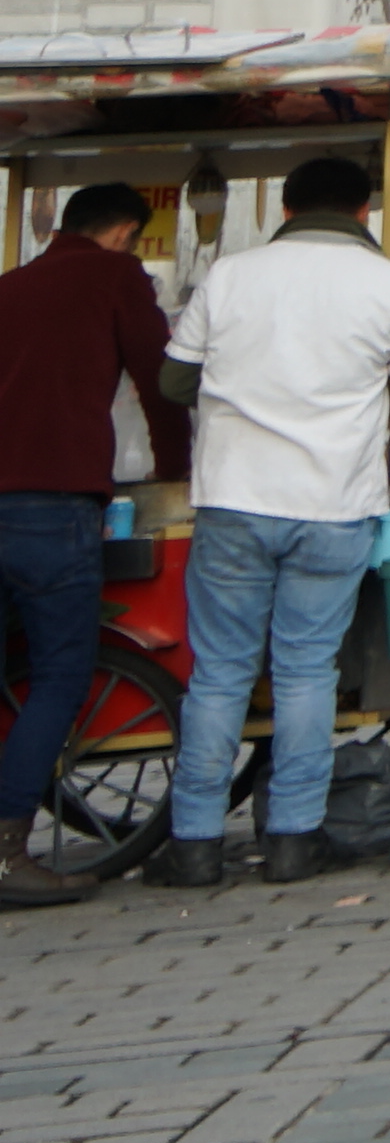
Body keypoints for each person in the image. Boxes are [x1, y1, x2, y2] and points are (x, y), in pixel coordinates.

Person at [151, 151, 390, 887]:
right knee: (307, 670)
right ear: (364, 212)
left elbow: (175, 380)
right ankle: (293, 837)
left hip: (234, 498)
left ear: (285, 209)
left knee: (221, 672)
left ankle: (194, 843)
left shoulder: (230, 276)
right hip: (334, 502)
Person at [0, 183, 174, 902]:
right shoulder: (115, 277)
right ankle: (7, 851)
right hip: (52, 506)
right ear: (125, 231)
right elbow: (161, 382)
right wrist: (178, 468)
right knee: (59, 676)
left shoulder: (10, 285)